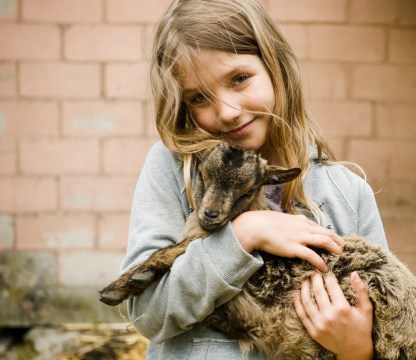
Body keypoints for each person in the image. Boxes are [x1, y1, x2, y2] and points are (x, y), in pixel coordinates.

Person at [120, 0, 388, 358]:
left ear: (275, 64)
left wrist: (357, 349)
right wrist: (243, 235)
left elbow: (386, 314)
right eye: (199, 97)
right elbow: (147, 311)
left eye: (240, 79)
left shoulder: (347, 192)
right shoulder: (174, 169)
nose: (227, 112)